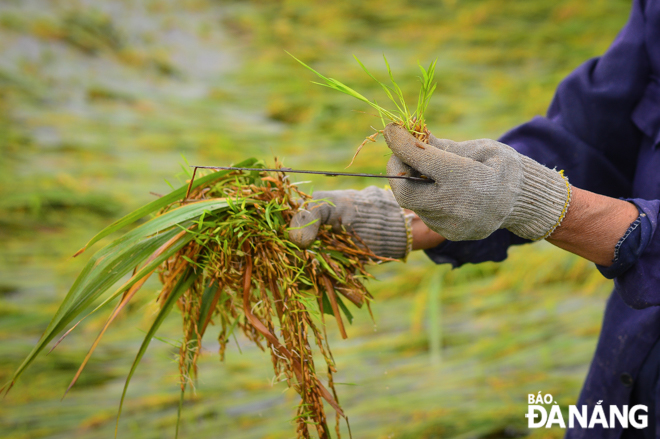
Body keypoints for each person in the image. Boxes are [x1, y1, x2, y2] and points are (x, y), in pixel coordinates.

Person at [289, 0, 660, 438]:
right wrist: (406, 216)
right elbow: (587, 139)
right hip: (622, 385)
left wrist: (540, 203)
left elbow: (540, 194)